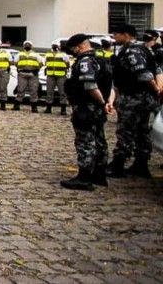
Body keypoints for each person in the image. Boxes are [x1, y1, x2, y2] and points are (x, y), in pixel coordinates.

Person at [105, 24, 162, 179]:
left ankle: (118, 164)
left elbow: (143, 73)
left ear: (126, 34)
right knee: (142, 131)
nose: (114, 37)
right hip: (145, 98)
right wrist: (158, 89)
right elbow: (157, 70)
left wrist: (156, 88)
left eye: (116, 34)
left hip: (133, 97)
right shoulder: (145, 49)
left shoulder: (131, 51)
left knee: (126, 130)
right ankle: (141, 164)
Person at [60, 34, 113, 191]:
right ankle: (99, 174)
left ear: (80, 45)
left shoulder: (85, 62)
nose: (72, 51)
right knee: (99, 139)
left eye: (73, 48)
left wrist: (102, 102)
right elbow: (110, 85)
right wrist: (107, 103)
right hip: (98, 108)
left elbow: (90, 86)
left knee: (85, 141)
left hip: (86, 107)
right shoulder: (102, 60)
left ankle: (84, 177)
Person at [14, 40, 43, 112]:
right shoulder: (19, 54)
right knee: (20, 90)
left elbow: (41, 63)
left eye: (29, 44)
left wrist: (36, 70)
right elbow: (15, 63)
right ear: (23, 46)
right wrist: (20, 69)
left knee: (33, 90)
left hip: (33, 74)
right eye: (26, 44)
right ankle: (17, 106)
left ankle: (34, 107)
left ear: (31, 46)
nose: (27, 46)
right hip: (22, 74)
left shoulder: (36, 55)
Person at [44, 43, 70, 115]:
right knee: (49, 92)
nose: (54, 47)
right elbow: (45, 63)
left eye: (56, 45)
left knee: (62, 92)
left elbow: (67, 64)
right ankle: (48, 108)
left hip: (61, 75)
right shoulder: (48, 54)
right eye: (53, 45)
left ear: (59, 46)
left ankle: (63, 109)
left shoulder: (64, 55)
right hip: (50, 75)